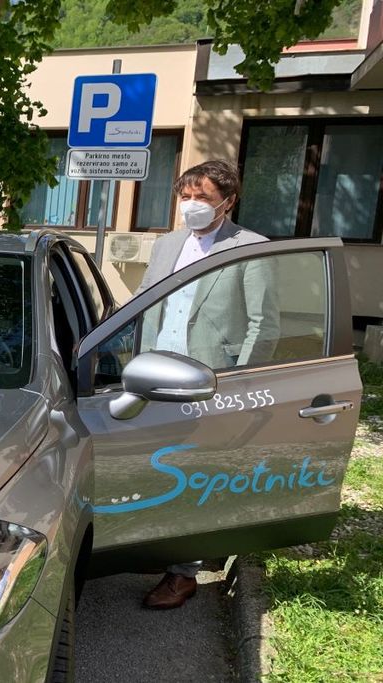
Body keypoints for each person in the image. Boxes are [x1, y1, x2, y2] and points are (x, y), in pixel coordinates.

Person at [135, 159, 279, 609]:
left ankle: (183, 574)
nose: (192, 205)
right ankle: (160, 548)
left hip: (211, 381)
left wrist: (240, 387)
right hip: (157, 375)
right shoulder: (167, 245)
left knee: (195, 476)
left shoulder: (250, 247)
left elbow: (264, 324)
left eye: (203, 197)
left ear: (228, 202)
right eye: (186, 196)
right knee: (157, 470)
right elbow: (144, 304)